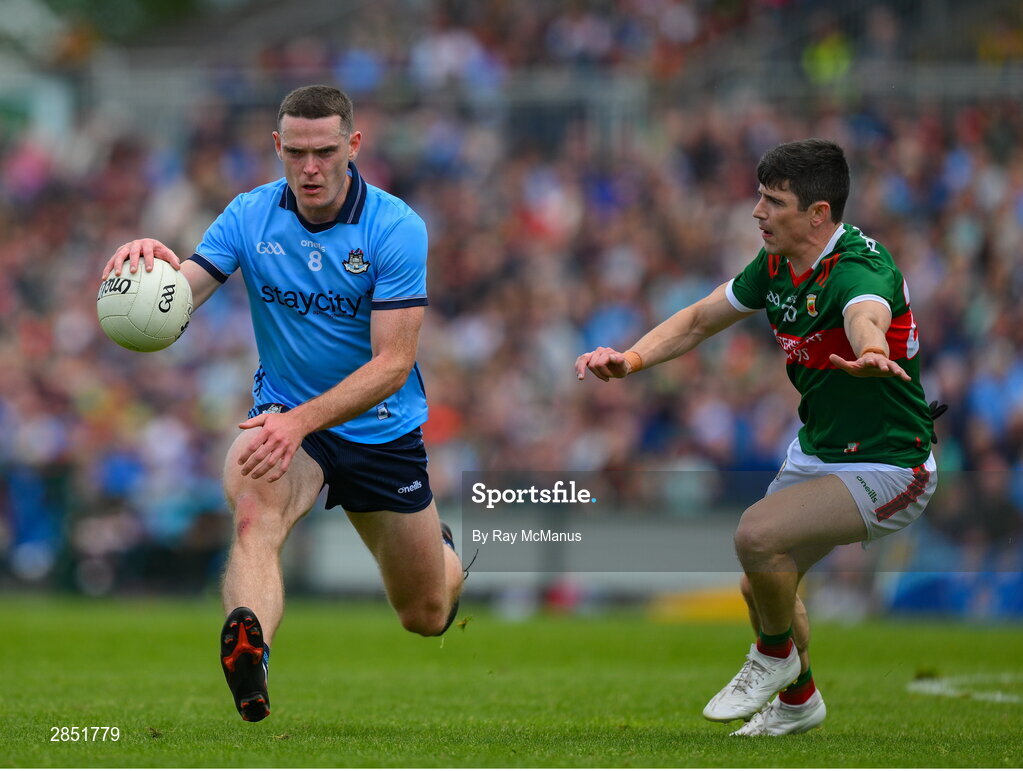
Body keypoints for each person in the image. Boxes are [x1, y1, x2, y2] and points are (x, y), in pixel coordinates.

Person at [101, 85, 464, 722]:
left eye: (325, 151)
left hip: (379, 427)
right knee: (252, 516)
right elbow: (178, 300)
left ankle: (442, 551)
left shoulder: (396, 227)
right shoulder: (247, 216)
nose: (310, 168)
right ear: (277, 147)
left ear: (353, 145)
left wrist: (301, 420)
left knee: (426, 614)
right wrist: (149, 270)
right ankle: (252, 652)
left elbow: (393, 364)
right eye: (295, 153)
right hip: (284, 419)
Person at [576, 139, 937, 736]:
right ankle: (799, 700)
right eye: (759, 197)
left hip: (891, 465)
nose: (757, 212)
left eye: (774, 201)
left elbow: (865, 313)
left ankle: (770, 659)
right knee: (761, 582)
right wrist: (631, 358)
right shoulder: (774, 267)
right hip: (820, 450)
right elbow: (698, 320)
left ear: (818, 213)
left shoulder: (860, 269)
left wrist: (872, 349)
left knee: (755, 535)